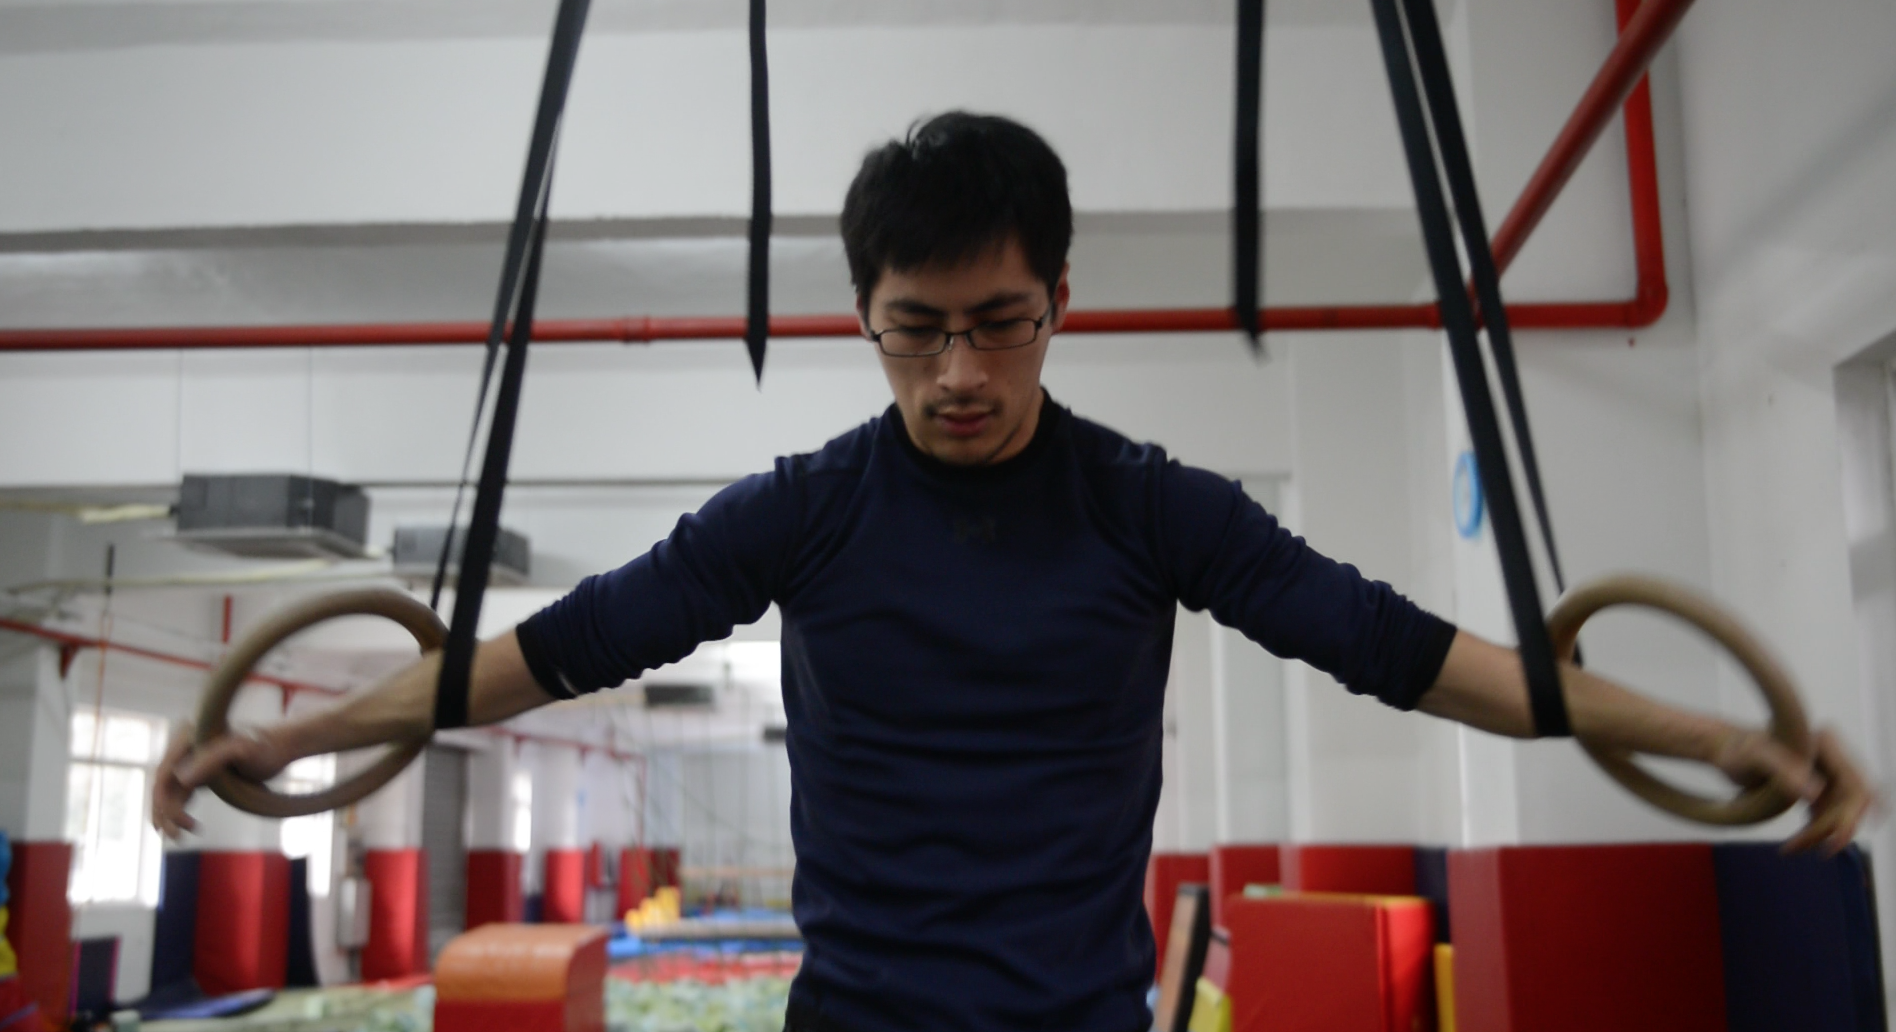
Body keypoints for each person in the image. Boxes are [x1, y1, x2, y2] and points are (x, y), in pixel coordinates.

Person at [154, 112, 1872, 1032]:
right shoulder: (799, 513)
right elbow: (542, 656)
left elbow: (1417, 656)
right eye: (917, 331)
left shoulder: (1153, 508)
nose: (961, 373)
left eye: (1000, 324)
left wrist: (1727, 742)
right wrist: (281, 746)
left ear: (1061, 304)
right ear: (864, 316)